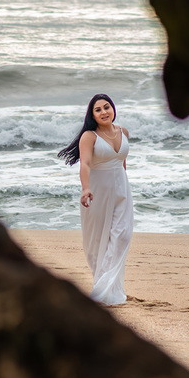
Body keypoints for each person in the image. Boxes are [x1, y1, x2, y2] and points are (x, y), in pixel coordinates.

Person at [56, 93, 134, 305]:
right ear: (92, 115)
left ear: (113, 109)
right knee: (97, 243)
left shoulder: (123, 132)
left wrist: (124, 184)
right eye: (97, 110)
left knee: (122, 235)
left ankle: (103, 288)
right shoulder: (89, 136)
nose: (104, 112)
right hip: (97, 193)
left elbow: (122, 163)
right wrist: (85, 188)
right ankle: (102, 287)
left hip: (122, 191)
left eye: (106, 107)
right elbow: (86, 164)